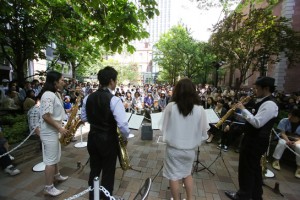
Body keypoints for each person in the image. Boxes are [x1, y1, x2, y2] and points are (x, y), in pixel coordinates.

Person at [225, 76, 278, 200]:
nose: (255, 91)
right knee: (253, 169)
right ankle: (255, 195)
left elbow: (257, 122)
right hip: (252, 140)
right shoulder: (263, 101)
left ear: (266, 88)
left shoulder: (270, 104)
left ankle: (243, 195)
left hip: (256, 142)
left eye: (257, 88)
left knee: (247, 170)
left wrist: (243, 109)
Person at [160, 78, 209, 200]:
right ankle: (189, 198)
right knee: (187, 174)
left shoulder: (171, 106)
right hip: (190, 150)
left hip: (173, 149)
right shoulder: (200, 109)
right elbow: (204, 132)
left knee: (174, 176)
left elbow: (163, 126)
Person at [86, 66, 130, 200]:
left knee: (94, 170)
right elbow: (123, 125)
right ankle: (105, 198)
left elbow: (84, 117)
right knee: (108, 173)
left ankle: (93, 197)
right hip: (108, 141)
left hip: (92, 138)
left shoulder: (88, 97)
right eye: (115, 80)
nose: (115, 83)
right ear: (111, 81)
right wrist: (125, 137)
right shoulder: (114, 100)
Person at [39, 71, 69, 197]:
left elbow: (55, 112)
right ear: (55, 81)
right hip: (49, 131)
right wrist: (60, 128)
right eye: (62, 80)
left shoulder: (54, 94)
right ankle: (48, 187)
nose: (64, 82)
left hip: (53, 130)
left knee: (55, 155)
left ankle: (56, 176)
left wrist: (69, 110)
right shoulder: (47, 95)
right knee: (50, 160)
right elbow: (46, 116)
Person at [272, 108, 300, 178]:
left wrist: (295, 142)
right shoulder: (284, 120)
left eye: (293, 117)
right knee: (282, 143)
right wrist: (288, 141)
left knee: (299, 147)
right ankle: (276, 160)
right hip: (285, 138)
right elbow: (282, 133)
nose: (290, 117)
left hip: (296, 141)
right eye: (290, 115)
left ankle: (299, 167)